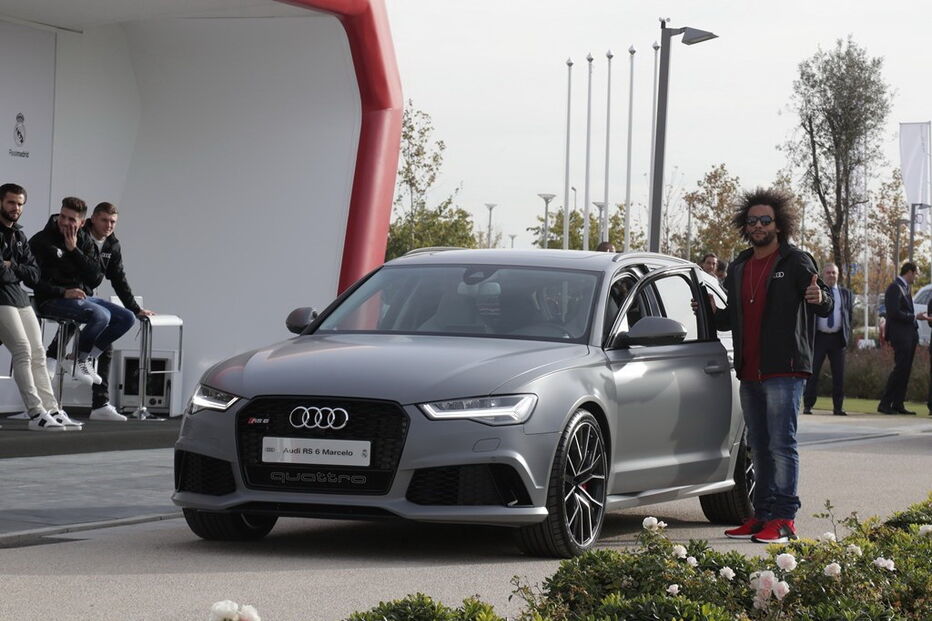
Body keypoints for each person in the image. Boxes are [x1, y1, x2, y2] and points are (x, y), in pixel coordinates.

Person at [707, 187, 832, 544]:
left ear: (779, 224)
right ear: (745, 225)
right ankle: (761, 516)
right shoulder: (741, 265)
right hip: (750, 370)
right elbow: (730, 318)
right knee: (757, 447)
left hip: (785, 369)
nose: (758, 225)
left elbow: (822, 304)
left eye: (765, 220)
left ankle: (784, 519)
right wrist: (711, 313)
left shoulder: (796, 261)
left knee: (781, 444)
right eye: (752, 221)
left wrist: (819, 297)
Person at [46, 202, 155, 421]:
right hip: (68, 296)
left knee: (109, 340)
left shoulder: (112, 244)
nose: (109, 226)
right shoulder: (77, 233)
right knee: (68, 334)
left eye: (113, 222)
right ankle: (46, 397)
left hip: (89, 298)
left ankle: (100, 403)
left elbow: (118, 278)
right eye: (105, 220)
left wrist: (134, 308)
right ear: (92, 219)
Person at [29, 197, 136, 399]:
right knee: (101, 315)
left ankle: (81, 359)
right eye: (63, 217)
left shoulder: (84, 240)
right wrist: (63, 292)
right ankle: (76, 359)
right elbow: (31, 280)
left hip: (81, 297)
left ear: (82, 222)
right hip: (52, 300)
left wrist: (74, 250)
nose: (66, 223)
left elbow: (95, 278)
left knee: (127, 318)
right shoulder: (41, 241)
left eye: (72, 220)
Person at [0, 184, 79, 431]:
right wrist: (15, 270)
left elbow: (34, 276)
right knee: (23, 351)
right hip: (2, 299)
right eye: (12, 202)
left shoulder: (20, 236)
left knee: (38, 353)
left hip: (20, 299)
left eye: (20, 204)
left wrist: (11, 266)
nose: (16, 208)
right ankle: (36, 414)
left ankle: (52, 409)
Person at [803, 263, 853, 416]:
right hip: (819, 338)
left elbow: (848, 316)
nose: (831, 275)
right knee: (813, 373)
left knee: (839, 375)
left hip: (837, 339)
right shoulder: (817, 291)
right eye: (828, 273)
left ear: (838, 275)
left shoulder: (846, 294)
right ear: (823, 275)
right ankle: (808, 405)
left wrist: (847, 335)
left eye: (834, 273)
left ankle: (838, 407)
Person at [877, 262, 919, 415]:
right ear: (910, 272)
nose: (917, 277)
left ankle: (898, 403)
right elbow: (894, 312)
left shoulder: (906, 288)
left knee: (905, 370)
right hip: (900, 336)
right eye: (916, 273)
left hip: (909, 335)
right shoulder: (894, 288)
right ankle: (885, 403)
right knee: (900, 369)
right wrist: (914, 316)